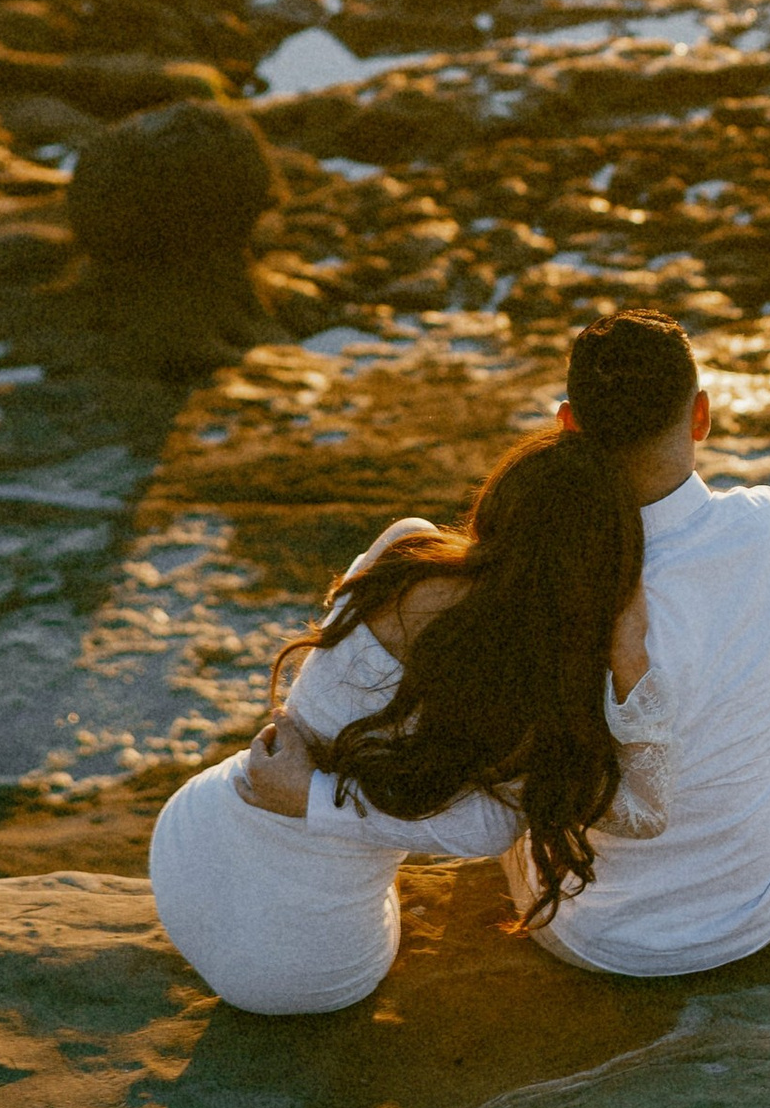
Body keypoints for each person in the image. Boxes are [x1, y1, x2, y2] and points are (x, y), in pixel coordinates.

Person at [146, 427, 639, 1014]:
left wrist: (308, 789)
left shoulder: (407, 546)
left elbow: (329, 685)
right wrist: (313, 798)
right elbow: (490, 830)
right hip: (291, 971)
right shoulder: (534, 672)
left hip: (189, 832)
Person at [506, 310, 770, 979]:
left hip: (591, 934)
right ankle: (749, 849)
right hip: (754, 914)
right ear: (701, 415)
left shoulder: (554, 571)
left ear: (567, 424)